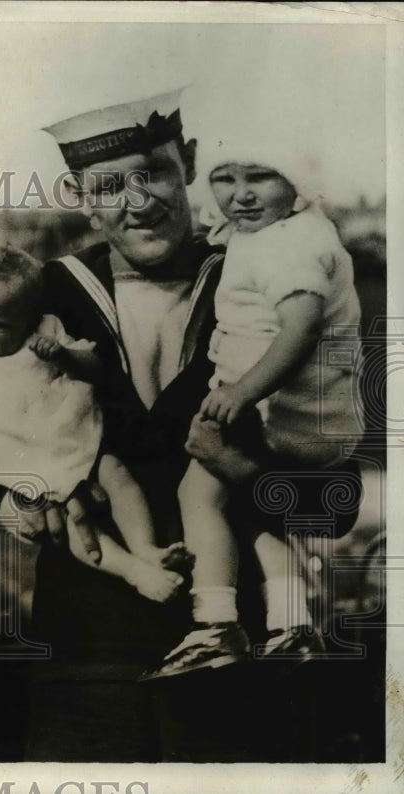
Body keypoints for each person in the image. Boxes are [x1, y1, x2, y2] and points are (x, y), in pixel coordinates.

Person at [30, 87, 362, 761]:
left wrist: (238, 471)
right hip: (88, 642)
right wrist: (15, 496)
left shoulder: (268, 279)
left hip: (245, 650)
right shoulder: (44, 295)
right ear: (80, 195)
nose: (139, 200)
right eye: (109, 186)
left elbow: (336, 507)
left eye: (154, 172)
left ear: (188, 162)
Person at [148, 146, 363, 679]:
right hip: (302, 415)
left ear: (298, 179)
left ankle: (215, 623)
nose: (240, 194)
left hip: (274, 406)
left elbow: (300, 328)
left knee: (199, 493)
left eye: (260, 177)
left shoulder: (292, 244)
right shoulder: (276, 233)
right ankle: (293, 625)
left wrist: (242, 390)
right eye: (224, 179)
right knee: (248, 507)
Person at [0, 244, 188, 603]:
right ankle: (134, 571)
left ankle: (146, 548)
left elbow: (94, 368)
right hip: (17, 461)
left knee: (116, 474)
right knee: (71, 520)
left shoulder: (44, 334)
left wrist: (63, 355)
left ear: (27, 318)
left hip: (69, 435)